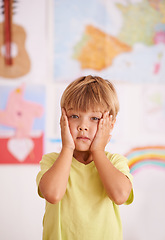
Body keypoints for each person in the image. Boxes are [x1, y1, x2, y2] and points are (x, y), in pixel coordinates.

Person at [36, 75, 134, 240]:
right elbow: (53, 194)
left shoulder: (115, 162)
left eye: (94, 118)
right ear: (63, 120)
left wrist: (98, 152)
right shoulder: (51, 161)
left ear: (110, 124)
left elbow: (120, 196)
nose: (83, 126)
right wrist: (67, 147)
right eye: (74, 116)